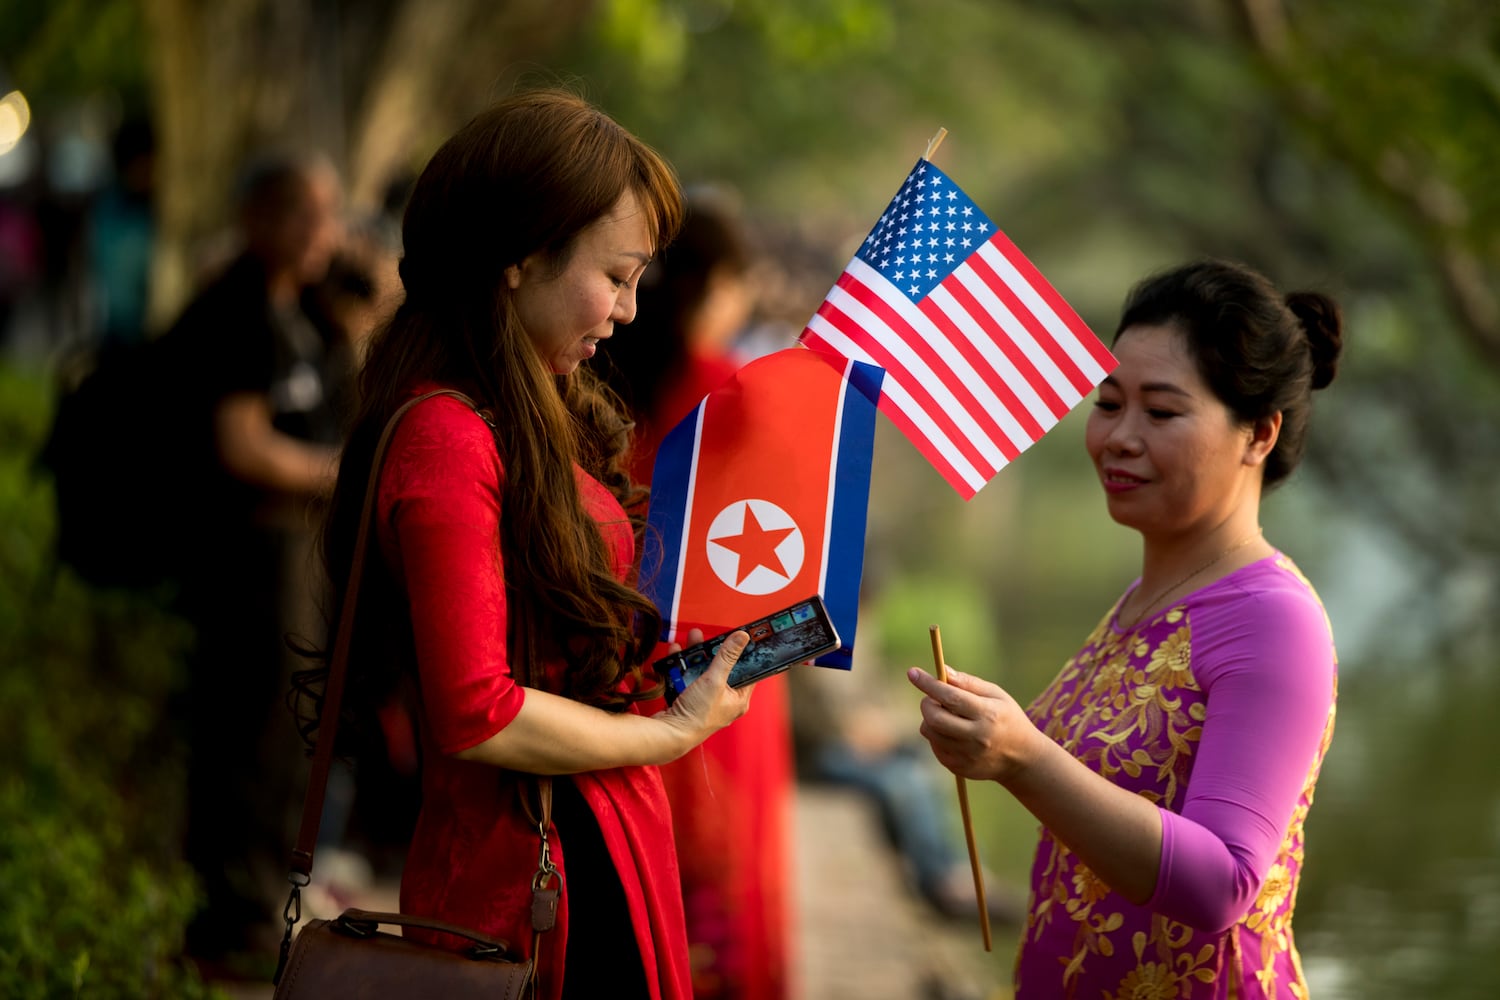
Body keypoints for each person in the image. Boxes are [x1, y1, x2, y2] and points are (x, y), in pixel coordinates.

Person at [298, 88, 754, 1000]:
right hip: (535, 875)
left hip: (590, 836)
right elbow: (479, 710)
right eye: (615, 276)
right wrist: (663, 734)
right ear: (520, 259)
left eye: (639, 283)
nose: (627, 310)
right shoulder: (448, 433)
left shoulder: (527, 413)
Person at [907, 258, 1344, 998]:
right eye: (1109, 404)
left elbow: (1222, 883)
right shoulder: (1145, 597)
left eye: (1162, 413)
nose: (1119, 437)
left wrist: (1023, 758)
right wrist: (986, 738)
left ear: (1258, 434)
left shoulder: (1275, 621)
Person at [598, 188, 794, 999]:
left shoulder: (595, 379)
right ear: (718, 284)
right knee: (723, 861)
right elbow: (796, 535)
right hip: (727, 652)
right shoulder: (733, 390)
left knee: (636, 855)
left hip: (622, 652)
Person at [167, 150, 347, 975]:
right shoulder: (236, 309)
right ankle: (233, 918)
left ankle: (266, 902)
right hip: (250, 560)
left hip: (294, 555)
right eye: (303, 213)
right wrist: (333, 474)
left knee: (290, 732)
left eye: (328, 213)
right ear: (257, 220)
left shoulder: (302, 311)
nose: (323, 232)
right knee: (252, 730)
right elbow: (242, 446)